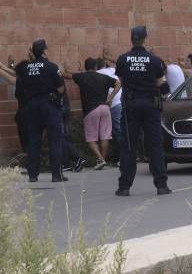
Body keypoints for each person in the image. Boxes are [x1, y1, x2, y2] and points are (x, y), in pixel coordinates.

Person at [115, 26, 171, 196]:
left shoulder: (123, 59)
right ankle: (161, 185)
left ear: (132, 39)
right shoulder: (154, 60)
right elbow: (161, 84)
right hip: (150, 105)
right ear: (145, 39)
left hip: (130, 106)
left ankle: (124, 187)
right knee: (154, 145)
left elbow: (122, 82)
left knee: (129, 146)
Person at [15, 40, 67, 183]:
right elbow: (61, 88)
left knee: (33, 140)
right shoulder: (51, 66)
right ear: (44, 51)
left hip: (31, 105)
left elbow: (21, 84)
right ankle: (56, 174)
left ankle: (33, 175)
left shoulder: (25, 68)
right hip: (49, 105)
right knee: (54, 140)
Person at [65, 58, 121, 170]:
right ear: (96, 67)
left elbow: (66, 75)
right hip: (105, 108)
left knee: (91, 139)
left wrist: (66, 68)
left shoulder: (81, 77)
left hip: (91, 110)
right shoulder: (103, 77)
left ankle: (101, 160)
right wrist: (110, 98)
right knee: (105, 136)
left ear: (86, 67)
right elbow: (118, 84)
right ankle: (101, 161)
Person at [97, 54, 123, 164]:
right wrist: (110, 58)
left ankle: (123, 157)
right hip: (120, 102)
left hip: (112, 105)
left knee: (117, 132)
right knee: (120, 130)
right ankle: (120, 157)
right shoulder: (113, 69)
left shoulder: (98, 73)